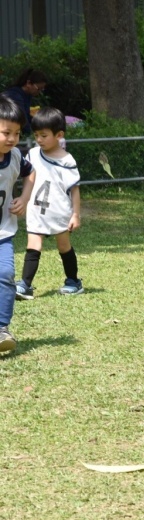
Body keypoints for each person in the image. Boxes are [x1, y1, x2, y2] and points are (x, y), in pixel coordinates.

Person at [14, 107, 81, 300]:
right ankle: (25, 285)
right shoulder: (33, 154)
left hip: (59, 213)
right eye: (36, 135)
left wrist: (75, 214)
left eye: (44, 135)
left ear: (59, 135)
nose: (39, 140)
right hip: (36, 210)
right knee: (33, 245)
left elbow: (74, 189)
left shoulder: (67, 161)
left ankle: (73, 281)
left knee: (64, 247)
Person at [0, 96, 34, 352]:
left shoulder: (14, 157)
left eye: (17, 133)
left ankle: (1, 329)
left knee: (5, 275)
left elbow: (30, 173)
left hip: (3, 232)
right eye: (6, 132)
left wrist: (23, 197)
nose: (12, 139)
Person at [2, 69, 47, 134]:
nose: (39, 92)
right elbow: (23, 121)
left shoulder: (26, 96)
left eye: (42, 89)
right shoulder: (14, 96)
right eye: (38, 88)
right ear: (28, 83)